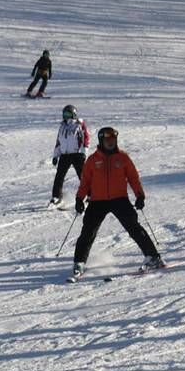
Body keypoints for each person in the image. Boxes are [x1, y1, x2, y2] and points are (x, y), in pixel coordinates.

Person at [71, 127, 165, 280]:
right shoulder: (92, 160)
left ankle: (153, 257)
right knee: (88, 232)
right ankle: (79, 263)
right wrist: (79, 199)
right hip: (97, 201)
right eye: (107, 140)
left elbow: (133, 178)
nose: (111, 143)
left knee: (134, 228)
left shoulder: (123, 158)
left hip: (120, 199)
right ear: (101, 141)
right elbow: (85, 182)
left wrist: (139, 196)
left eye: (113, 140)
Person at [50, 104, 89, 207]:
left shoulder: (79, 125)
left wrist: (84, 152)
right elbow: (59, 142)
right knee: (59, 176)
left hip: (77, 154)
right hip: (65, 155)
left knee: (83, 176)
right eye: (64, 114)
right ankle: (56, 197)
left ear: (74, 114)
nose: (66, 116)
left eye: (68, 114)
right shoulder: (62, 126)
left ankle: (91, 194)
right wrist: (55, 156)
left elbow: (85, 139)